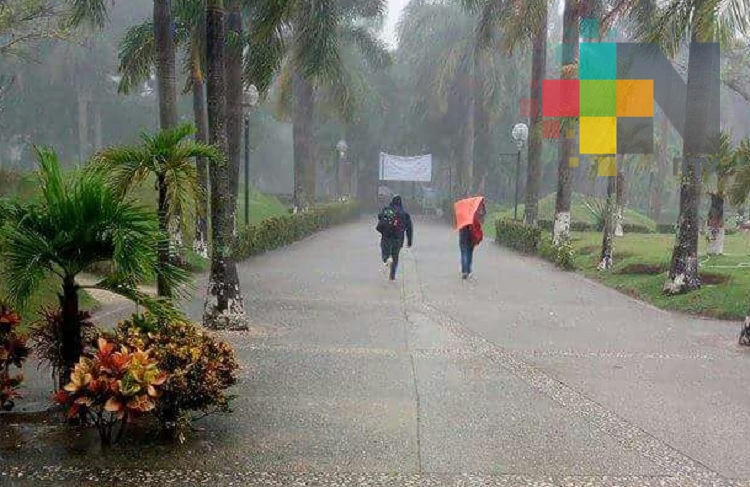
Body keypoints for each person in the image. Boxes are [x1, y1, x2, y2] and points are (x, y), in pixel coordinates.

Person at [376, 195, 413, 281]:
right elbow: (409, 229)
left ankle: (386, 258)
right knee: (395, 255)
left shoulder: (387, 210)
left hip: (386, 236)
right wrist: (409, 241)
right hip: (398, 238)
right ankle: (392, 275)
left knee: (385, 251)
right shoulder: (405, 214)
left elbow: (380, 217)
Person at [456, 198, 486, 280]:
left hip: (463, 235)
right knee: (469, 253)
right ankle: (468, 270)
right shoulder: (473, 215)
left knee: (463, 252)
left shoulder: (462, 216)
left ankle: (464, 271)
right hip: (471, 236)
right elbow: (480, 222)